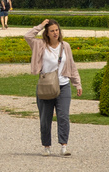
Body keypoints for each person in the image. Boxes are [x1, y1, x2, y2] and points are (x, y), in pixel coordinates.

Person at [24, 17, 81, 155]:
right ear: (47, 33)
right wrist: (41, 25)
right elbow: (27, 36)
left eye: (57, 30)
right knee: (45, 118)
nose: (55, 33)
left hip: (63, 85)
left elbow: (71, 65)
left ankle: (63, 146)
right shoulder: (39, 45)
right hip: (46, 86)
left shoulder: (65, 46)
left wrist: (77, 83)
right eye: (52, 31)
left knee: (63, 116)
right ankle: (46, 146)